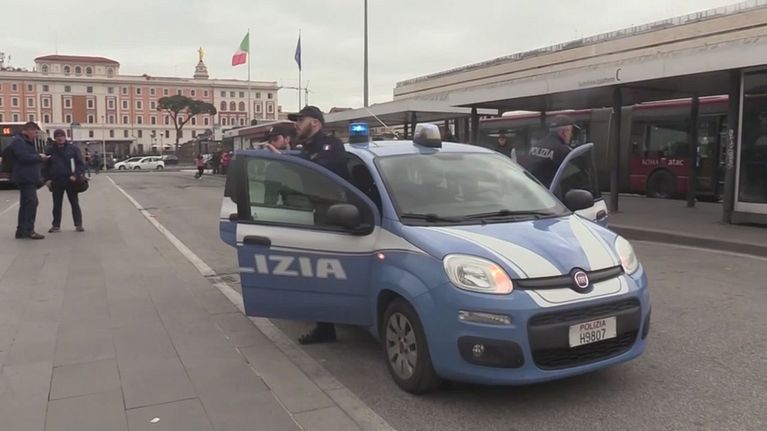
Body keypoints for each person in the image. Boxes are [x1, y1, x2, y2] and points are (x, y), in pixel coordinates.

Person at [287, 105, 348, 344]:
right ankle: (325, 324)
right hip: (318, 216)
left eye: (300, 120)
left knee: (326, 275)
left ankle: (329, 325)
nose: (296, 124)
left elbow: (320, 173)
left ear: (315, 122)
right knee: (317, 274)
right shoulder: (305, 149)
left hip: (337, 217)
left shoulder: (331, 146)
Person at [9, 122, 49, 239]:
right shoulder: (19, 141)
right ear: (27, 130)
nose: (35, 135)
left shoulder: (24, 141)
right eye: (34, 132)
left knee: (26, 203)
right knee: (32, 202)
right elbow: (23, 157)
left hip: (27, 176)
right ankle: (28, 230)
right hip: (25, 177)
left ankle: (21, 230)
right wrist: (39, 157)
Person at [518, 114, 578, 187]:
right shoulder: (562, 150)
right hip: (547, 191)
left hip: (531, 187)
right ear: (564, 132)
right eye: (570, 131)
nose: (571, 135)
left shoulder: (537, 145)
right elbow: (574, 176)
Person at [43, 129, 85, 232]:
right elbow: (45, 166)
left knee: (74, 203)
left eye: (61, 136)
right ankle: (56, 225)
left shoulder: (73, 149)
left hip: (71, 180)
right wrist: (47, 179)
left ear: (65, 137)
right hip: (56, 180)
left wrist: (75, 175)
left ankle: (78, 224)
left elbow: (80, 164)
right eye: (57, 136)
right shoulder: (50, 150)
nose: (60, 138)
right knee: (57, 204)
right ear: (55, 138)